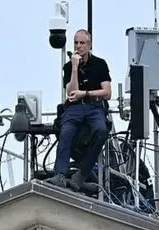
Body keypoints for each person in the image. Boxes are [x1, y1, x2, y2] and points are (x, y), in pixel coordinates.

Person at [47, 29, 112, 191]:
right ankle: (60, 175)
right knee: (66, 130)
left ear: (89, 45)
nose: (79, 46)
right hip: (74, 108)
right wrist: (75, 68)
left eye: (82, 43)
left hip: (94, 106)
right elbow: (71, 93)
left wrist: (86, 93)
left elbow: (107, 92)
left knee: (101, 130)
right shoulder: (69, 66)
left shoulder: (100, 64)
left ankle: (81, 175)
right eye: (76, 42)